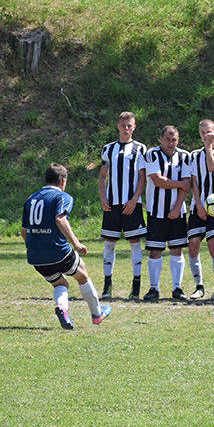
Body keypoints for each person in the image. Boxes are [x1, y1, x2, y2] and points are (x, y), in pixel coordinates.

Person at [22, 163, 112, 329]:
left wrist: (35, 247)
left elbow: (24, 231)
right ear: (63, 181)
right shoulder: (62, 197)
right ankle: (97, 314)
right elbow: (60, 218)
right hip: (58, 252)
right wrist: (76, 244)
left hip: (35, 256)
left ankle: (62, 308)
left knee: (60, 283)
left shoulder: (31, 199)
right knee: (82, 275)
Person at [98, 111, 147, 301]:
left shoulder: (140, 149)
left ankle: (136, 287)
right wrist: (103, 198)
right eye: (123, 125)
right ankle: (107, 285)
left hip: (131, 204)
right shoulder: (108, 149)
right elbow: (103, 177)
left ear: (134, 127)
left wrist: (135, 199)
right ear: (118, 126)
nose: (126, 129)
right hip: (113, 205)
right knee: (109, 243)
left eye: (130, 126)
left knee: (135, 243)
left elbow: (142, 177)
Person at [142, 125, 192, 301]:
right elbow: (158, 180)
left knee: (177, 249)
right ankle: (154, 288)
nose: (171, 143)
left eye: (174, 140)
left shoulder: (185, 156)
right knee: (155, 250)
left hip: (177, 212)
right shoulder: (152, 154)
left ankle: (177, 288)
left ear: (178, 140)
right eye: (167, 139)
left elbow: (188, 183)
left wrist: (177, 207)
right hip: (156, 211)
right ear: (161, 139)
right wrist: (179, 184)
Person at [187, 119, 214, 300]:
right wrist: (198, 205)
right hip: (199, 206)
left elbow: (212, 165)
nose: (206, 136)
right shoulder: (194, 155)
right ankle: (199, 286)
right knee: (193, 244)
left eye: (210, 132)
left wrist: (208, 147)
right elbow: (194, 182)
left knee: (213, 245)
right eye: (203, 133)